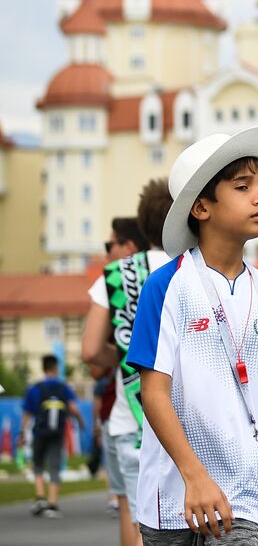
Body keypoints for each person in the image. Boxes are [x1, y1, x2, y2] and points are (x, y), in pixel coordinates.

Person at [127, 127, 258, 545]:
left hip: (243, 498)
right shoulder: (166, 286)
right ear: (201, 207)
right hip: (171, 494)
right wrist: (194, 475)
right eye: (243, 186)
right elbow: (153, 393)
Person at [83, 202, 172, 546]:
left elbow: (91, 352)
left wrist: (126, 355)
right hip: (181, 418)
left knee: (134, 517)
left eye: (110, 244)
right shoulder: (194, 268)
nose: (107, 251)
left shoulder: (115, 276)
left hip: (130, 418)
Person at [21, 353, 86, 519]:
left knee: (38, 464)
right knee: (54, 466)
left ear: (43, 368)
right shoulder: (64, 387)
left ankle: (40, 496)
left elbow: (27, 413)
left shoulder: (35, 388)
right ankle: (52, 502)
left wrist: (22, 432)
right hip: (57, 432)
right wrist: (81, 422)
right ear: (56, 368)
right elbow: (73, 407)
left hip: (39, 432)